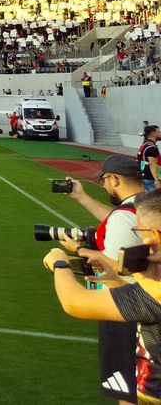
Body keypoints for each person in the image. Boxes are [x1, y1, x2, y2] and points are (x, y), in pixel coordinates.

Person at [44, 186, 161, 404]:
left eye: (140, 232)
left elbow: (74, 302)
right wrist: (117, 282)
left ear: (153, 236)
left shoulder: (154, 294)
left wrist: (59, 263)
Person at [59, 154, 146, 402]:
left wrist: (76, 251)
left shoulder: (124, 215)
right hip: (148, 303)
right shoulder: (149, 204)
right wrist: (82, 198)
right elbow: (119, 218)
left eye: (105, 180)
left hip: (124, 309)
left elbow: (115, 264)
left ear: (115, 179)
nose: (105, 186)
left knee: (129, 390)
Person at [141, 126, 161, 193]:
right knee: (154, 201)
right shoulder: (152, 147)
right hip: (150, 179)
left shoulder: (145, 144)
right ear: (153, 133)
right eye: (159, 132)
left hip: (144, 176)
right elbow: (152, 164)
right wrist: (157, 180)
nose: (160, 134)